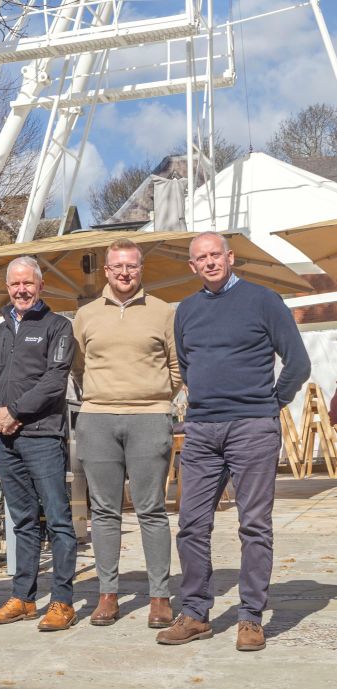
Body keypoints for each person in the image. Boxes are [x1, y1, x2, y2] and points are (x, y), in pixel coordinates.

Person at [157, 232, 310, 651]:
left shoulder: (264, 300)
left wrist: (268, 404)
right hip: (203, 429)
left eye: (215, 255)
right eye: (200, 258)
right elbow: (189, 366)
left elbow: (298, 362)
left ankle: (250, 618)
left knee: (254, 525)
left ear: (230, 257)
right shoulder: (185, 310)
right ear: (192, 266)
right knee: (190, 524)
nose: (209, 262)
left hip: (252, 428)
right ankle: (194, 613)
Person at [71, 238, 181, 628]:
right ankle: (107, 594)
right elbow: (79, 366)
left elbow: (175, 366)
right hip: (98, 418)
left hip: (149, 417)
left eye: (131, 266)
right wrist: (102, 397)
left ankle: (159, 596)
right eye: (117, 266)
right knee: (103, 511)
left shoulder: (163, 312)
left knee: (151, 509)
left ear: (141, 269)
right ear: (106, 270)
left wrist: (153, 398)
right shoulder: (85, 315)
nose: (124, 272)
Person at [0, 256, 78, 631]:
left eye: (28, 283)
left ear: (40, 285)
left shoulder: (58, 327)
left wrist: (15, 411)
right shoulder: (0, 330)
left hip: (42, 436)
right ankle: (23, 597)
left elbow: (55, 381)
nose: (21, 290)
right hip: (7, 439)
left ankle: (63, 601)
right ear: (8, 289)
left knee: (58, 520)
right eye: (14, 284)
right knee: (21, 522)